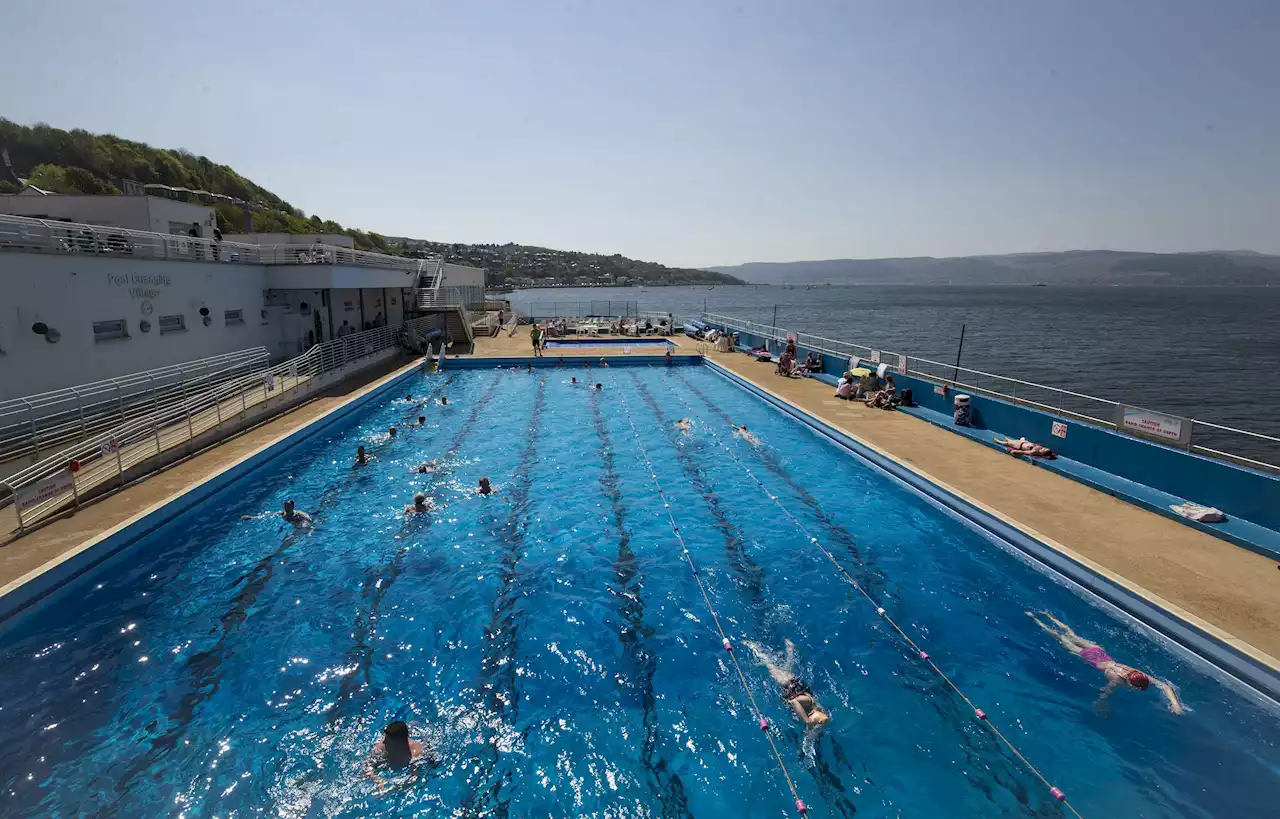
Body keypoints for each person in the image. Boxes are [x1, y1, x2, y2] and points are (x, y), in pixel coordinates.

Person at [1027, 611, 1184, 714]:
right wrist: (1101, 704)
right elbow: (1107, 692)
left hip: (1098, 650)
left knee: (1070, 633)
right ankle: (1035, 620)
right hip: (1088, 656)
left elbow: (1165, 686)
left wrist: (1175, 704)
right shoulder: (1117, 679)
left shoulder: (1134, 672)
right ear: (1130, 683)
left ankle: (1048, 615)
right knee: (1060, 638)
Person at [745, 640, 831, 729]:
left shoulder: (813, 710)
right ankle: (754, 647)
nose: (812, 723)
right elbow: (794, 701)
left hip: (796, 686)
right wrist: (806, 721)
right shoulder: (808, 702)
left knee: (787, 669)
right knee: (770, 666)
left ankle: (791, 650)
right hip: (790, 684)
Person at [365, 721, 429, 792]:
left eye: (388, 739)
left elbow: (415, 779)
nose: (384, 742)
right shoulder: (382, 747)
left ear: (399, 742)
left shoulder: (416, 754)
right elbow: (367, 766)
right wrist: (378, 780)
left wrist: (392, 789)